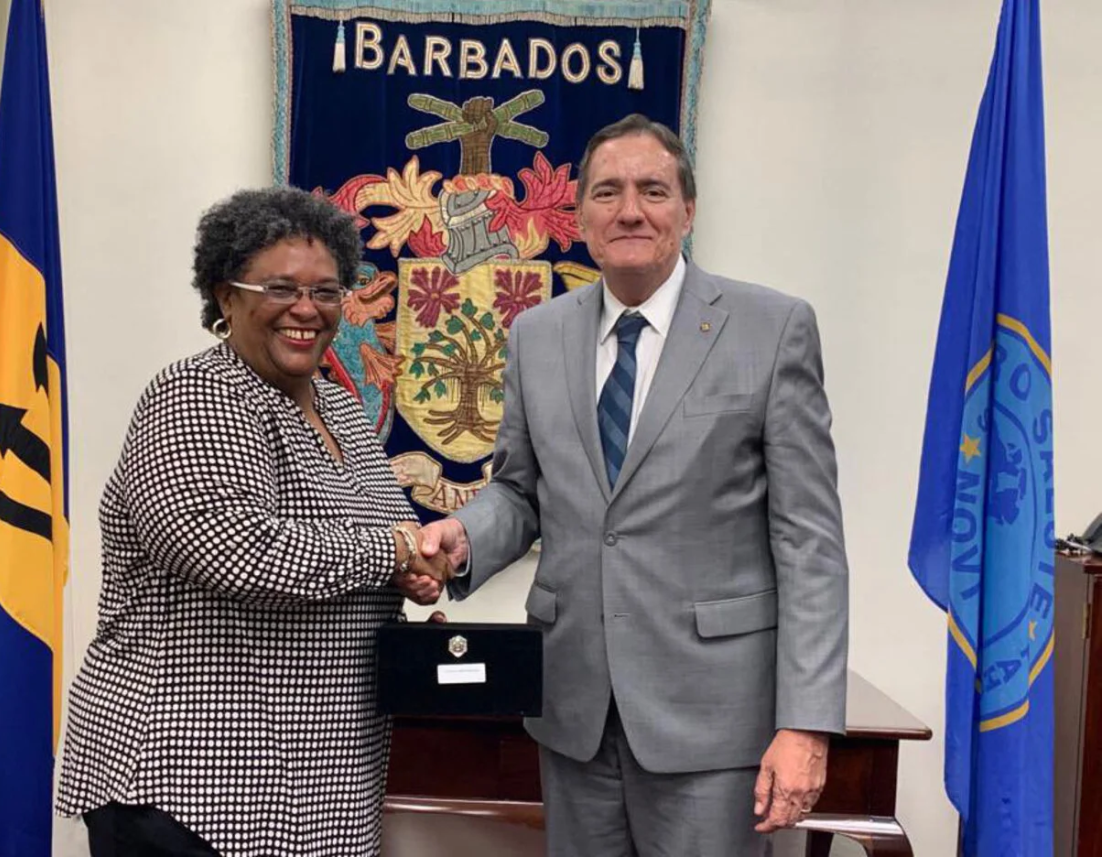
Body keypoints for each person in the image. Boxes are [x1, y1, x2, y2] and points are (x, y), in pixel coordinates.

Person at [419, 113, 849, 856]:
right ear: (578, 213)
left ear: (688, 209)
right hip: (574, 707)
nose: (629, 210)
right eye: (607, 192)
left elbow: (809, 540)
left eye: (653, 190)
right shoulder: (535, 335)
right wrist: (464, 539)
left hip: (713, 720)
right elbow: (520, 491)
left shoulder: (772, 329)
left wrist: (805, 721)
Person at [56, 187, 449, 857]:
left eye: (327, 291)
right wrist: (392, 550)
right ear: (225, 295)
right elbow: (237, 549)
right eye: (279, 287)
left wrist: (414, 575)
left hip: (317, 787)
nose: (306, 309)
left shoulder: (343, 410)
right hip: (192, 788)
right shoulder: (197, 394)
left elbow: (385, 538)